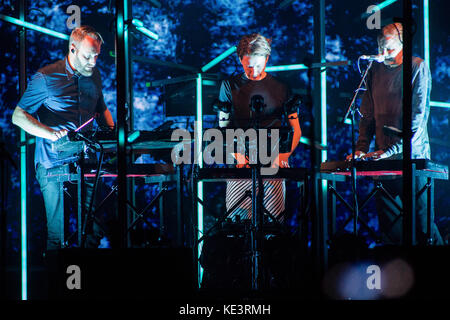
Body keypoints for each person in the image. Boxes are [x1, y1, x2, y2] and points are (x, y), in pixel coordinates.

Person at [12, 26, 115, 250]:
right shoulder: (46, 77)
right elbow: (19, 116)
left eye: (97, 56)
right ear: (72, 49)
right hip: (52, 164)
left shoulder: (93, 75)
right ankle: (58, 283)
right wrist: (51, 133)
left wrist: (113, 132)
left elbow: (101, 107)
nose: (94, 62)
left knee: (93, 230)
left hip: (85, 162)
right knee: (57, 235)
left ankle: (84, 281)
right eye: (88, 56)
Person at [347, 23, 443, 245]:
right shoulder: (374, 71)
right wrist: (361, 149)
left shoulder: (417, 67)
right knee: (390, 231)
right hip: (384, 161)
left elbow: (418, 118)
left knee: (422, 227)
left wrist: (390, 150)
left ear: (402, 45)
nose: (382, 54)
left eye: (388, 49)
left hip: (413, 160)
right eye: (380, 47)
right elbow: (367, 116)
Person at [215, 33, 302, 223]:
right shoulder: (229, 86)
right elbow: (223, 128)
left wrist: (284, 155)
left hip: (274, 161)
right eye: (248, 66)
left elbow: (296, 129)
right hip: (240, 161)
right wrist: (238, 156)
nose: (253, 71)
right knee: (238, 222)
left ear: (267, 59)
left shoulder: (281, 87)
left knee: (274, 223)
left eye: (258, 65)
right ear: (240, 60)